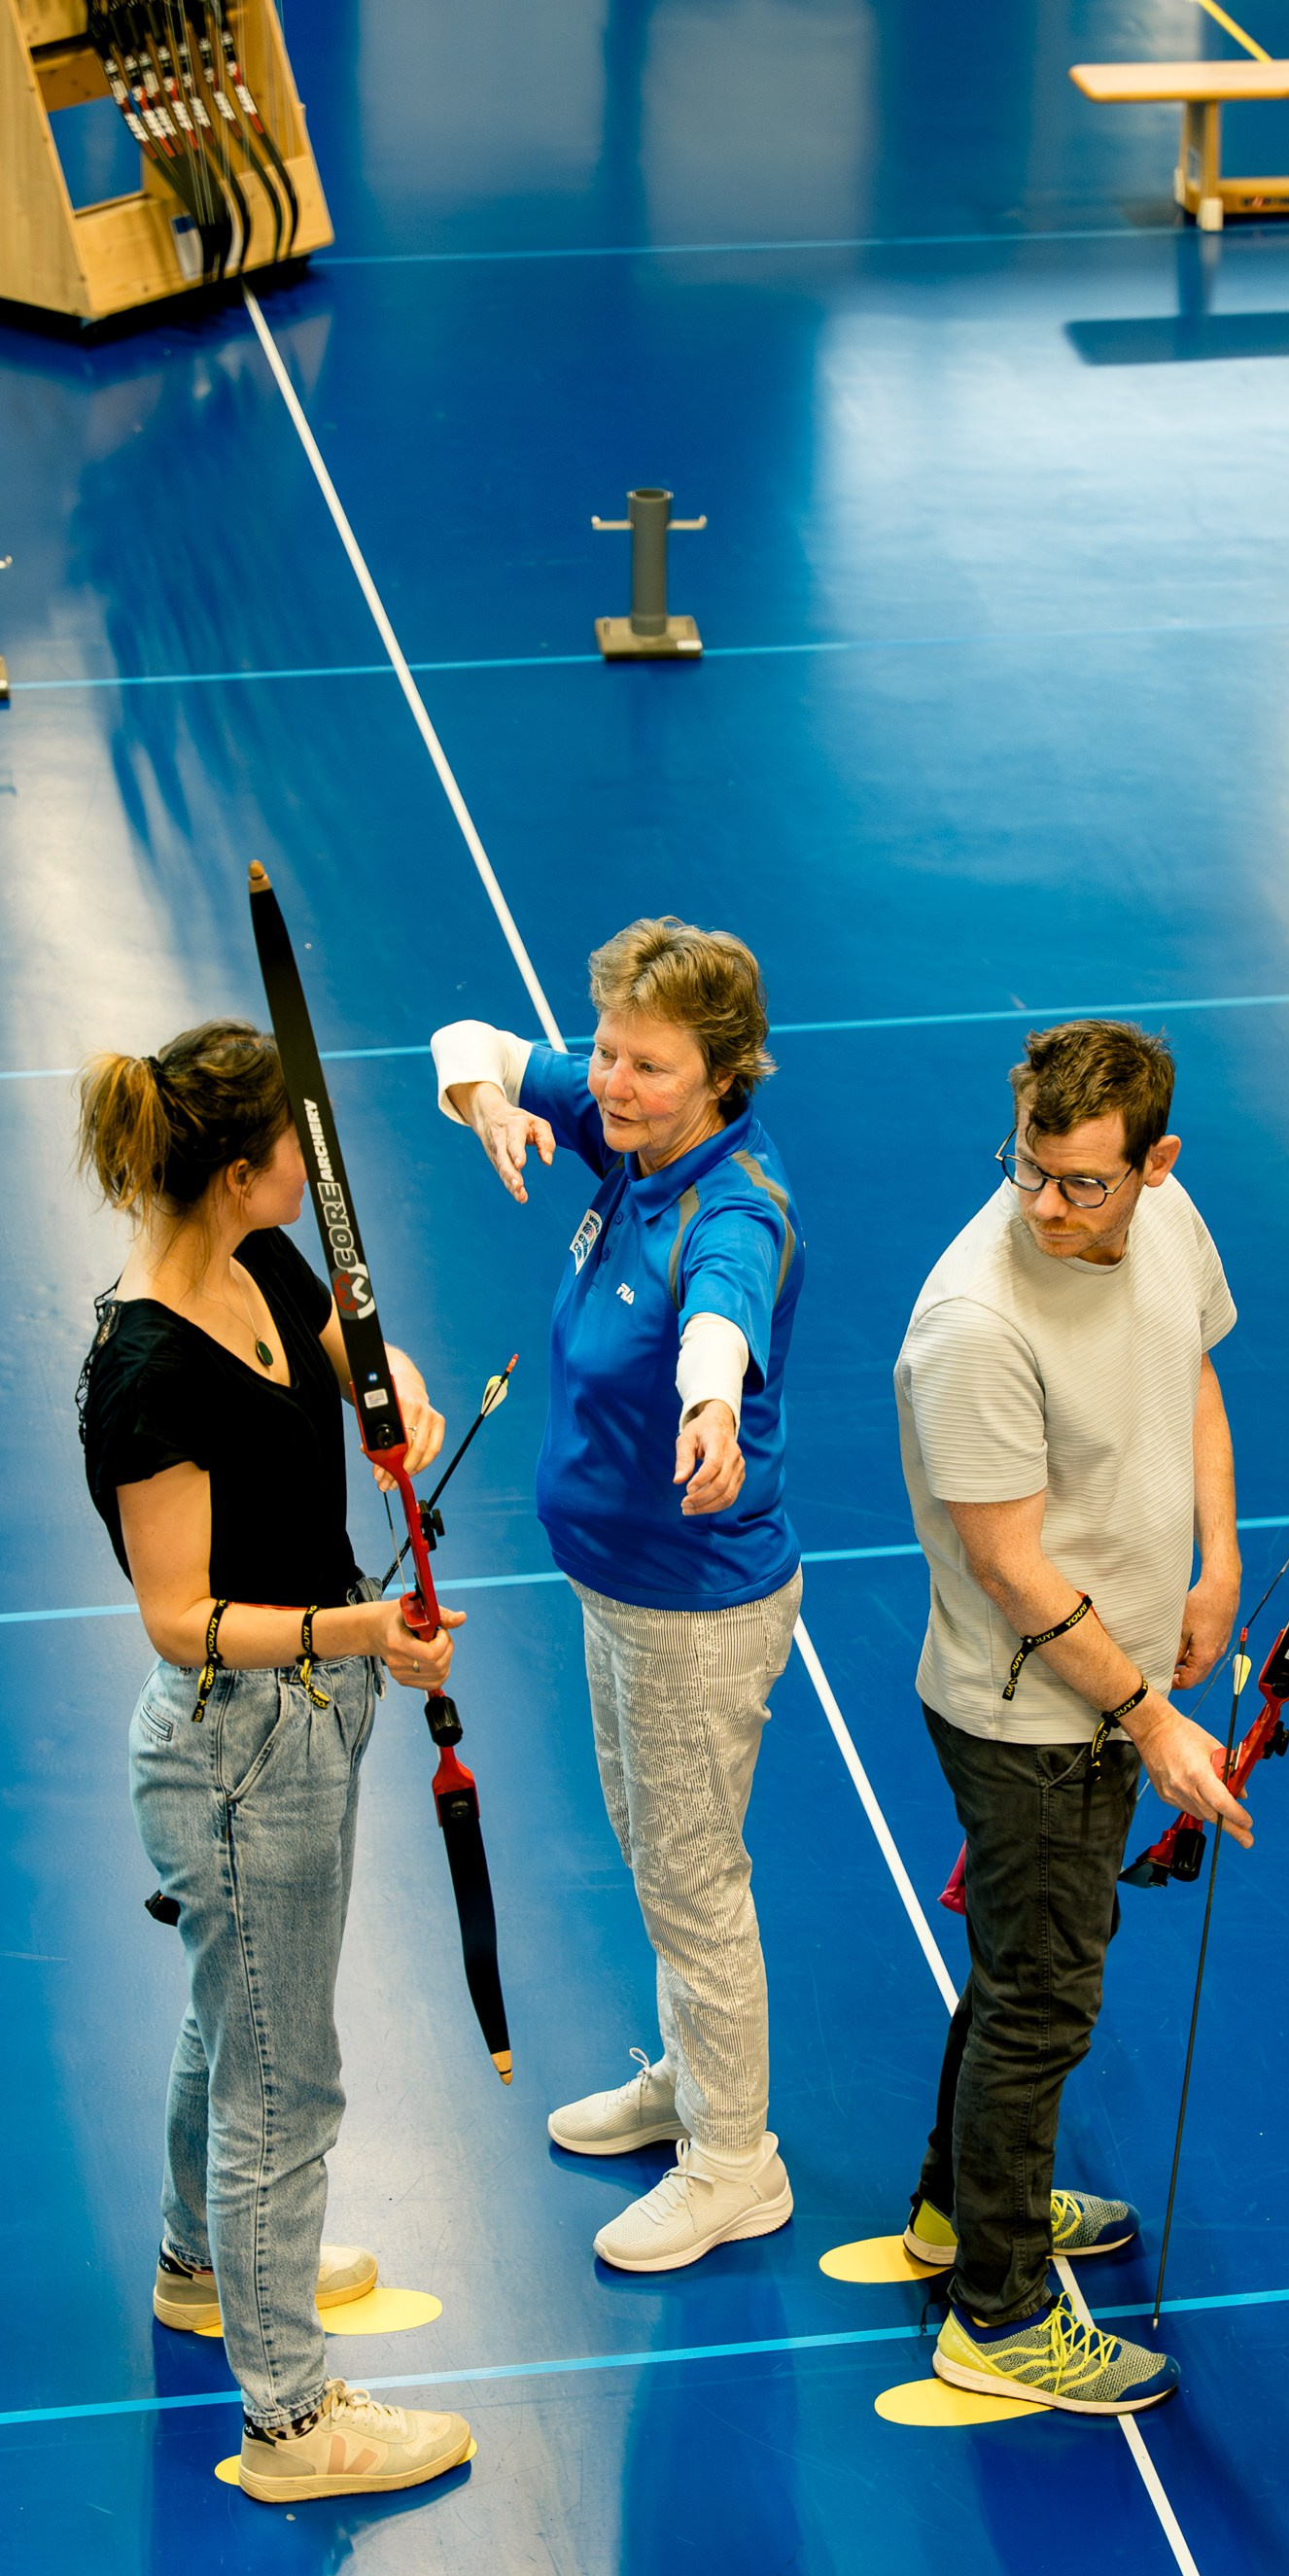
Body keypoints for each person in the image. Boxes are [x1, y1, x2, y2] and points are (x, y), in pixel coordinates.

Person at [75, 1018, 476, 2505]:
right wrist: (368, 1623)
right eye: (294, 1160)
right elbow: (180, 1620)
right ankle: (293, 2426)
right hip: (242, 1747)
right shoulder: (148, 1376)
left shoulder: (255, 1260)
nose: (312, 1179)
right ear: (240, 1169)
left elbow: (353, 1356)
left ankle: (203, 2266)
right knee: (282, 2083)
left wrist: (404, 1396)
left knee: (228, 2017)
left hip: (309, 1711)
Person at [430, 917, 805, 2274]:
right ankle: (692, 2088)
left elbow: (722, 1312)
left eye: (651, 1066)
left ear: (723, 1075)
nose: (614, 1083)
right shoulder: (624, 1138)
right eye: (607, 1053)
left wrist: (712, 1405)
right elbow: (463, 1041)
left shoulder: (733, 1208)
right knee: (657, 1857)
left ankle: (736, 2161)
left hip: (695, 1606)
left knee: (696, 1878)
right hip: (617, 1592)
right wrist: (487, 1101)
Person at [893, 1019, 1249, 2416]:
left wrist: (1215, 1563)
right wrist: (1157, 1716)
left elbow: (1193, 1375)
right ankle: (997, 2315)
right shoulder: (974, 1323)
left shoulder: (1164, 1222)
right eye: (1028, 1167)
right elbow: (1009, 1565)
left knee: (1014, 1978)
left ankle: (956, 2209)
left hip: (1119, 1676)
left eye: (1082, 1182)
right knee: (1042, 2004)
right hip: (1032, 1720)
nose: (1045, 1204)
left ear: (1156, 1165)